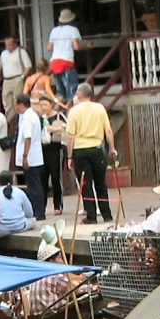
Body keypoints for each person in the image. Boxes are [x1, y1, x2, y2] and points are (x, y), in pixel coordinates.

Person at [64, 83, 116, 224]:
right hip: (97, 148)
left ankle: (91, 216)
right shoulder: (99, 108)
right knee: (101, 183)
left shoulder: (74, 111)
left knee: (85, 184)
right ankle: (107, 214)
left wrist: (69, 156)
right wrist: (112, 148)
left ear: (80, 94)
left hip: (80, 150)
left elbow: (71, 137)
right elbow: (108, 130)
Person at [0, 172, 36, 250]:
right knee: (33, 220)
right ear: (12, 180)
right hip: (19, 225)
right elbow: (30, 213)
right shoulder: (20, 192)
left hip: (0, 228)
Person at [15, 94, 45, 220]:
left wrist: (25, 156)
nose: (15, 107)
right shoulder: (32, 115)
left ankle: (38, 212)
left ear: (21, 104)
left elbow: (28, 138)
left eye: (16, 104)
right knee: (35, 184)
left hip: (31, 156)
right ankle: (39, 210)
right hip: (36, 154)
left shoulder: (27, 118)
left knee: (33, 186)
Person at [36, 94, 68, 215]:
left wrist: (53, 129)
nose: (43, 107)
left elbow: (67, 127)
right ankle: (41, 206)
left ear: (51, 105)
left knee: (56, 177)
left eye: (45, 104)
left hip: (56, 147)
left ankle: (58, 204)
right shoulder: (40, 118)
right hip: (43, 148)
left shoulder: (59, 115)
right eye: (41, 105)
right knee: (42, 178)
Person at [48, 9, 82, 104]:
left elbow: (49, 47)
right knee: (72, 89)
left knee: (60, 92)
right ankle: (70, 112)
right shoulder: (73, 30)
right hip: (66, 62)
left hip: (54, 63)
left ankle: (57, 111)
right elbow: (76, 47)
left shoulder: (54, 30)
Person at [0, 36, 33, 110]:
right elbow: (0, 67)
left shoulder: (21, 52)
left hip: (17, 78)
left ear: (15, 44)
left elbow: (28, 66)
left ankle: (17, 116)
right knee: (6, 100)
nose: (8, 47)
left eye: (9, 45)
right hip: (6, 79)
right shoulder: (3, 53)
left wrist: (22, 77)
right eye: (6, 45)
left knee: (17, 99)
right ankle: (9, 119)